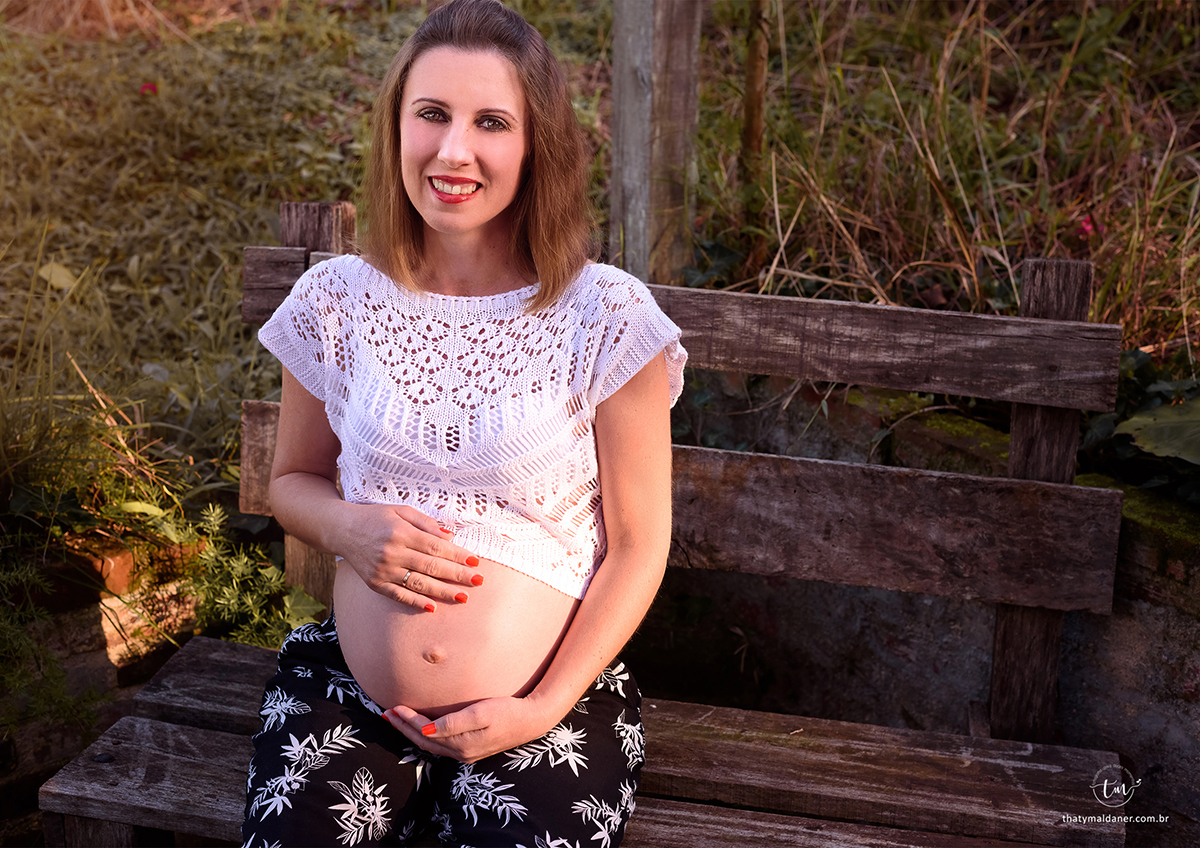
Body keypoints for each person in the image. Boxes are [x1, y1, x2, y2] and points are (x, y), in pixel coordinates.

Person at [240, 0, 686, 845]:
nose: (454, 151)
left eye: (491, 122)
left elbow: (638, 547)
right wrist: (347, 528)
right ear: (397, 126)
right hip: (355, 694)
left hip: (551, 699)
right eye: (432, 115)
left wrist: (541, 704)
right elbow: (292, 481)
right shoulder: (339, 301)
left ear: (536, 144)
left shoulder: (606, 317)